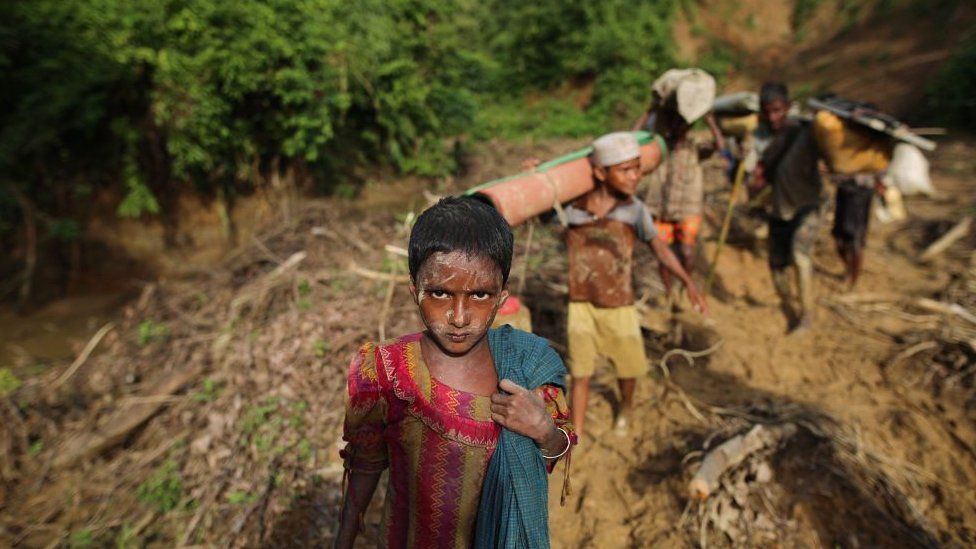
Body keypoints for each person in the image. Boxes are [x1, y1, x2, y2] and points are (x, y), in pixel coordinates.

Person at [334, 196, 576, 548]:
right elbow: (366, 463)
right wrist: (342, 539)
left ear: (501, 296)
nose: (459, 317)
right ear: (414, 291)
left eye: (479, 295)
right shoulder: (386, 370)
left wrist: (544, 432)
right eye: (440, 294)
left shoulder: (528, 368)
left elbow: (560, 446)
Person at [562, 132, 707, 439]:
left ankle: (625, 408)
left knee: (628, 369)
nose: (635, 177)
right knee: (581, 373)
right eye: (626, 170)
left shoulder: (634, 210)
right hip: (581, 303)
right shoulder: (572, 208)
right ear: (601, 173)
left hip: (619, 304)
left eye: (638, 168)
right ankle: (576, 432)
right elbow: (538, 203)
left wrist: (688, 282)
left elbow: (661, 249)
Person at [632, 68, 726, 304]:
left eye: (683, 123)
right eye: (674, 122)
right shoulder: (658, 146)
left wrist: (709, 119)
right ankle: (669, 293)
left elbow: (719, 145)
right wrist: (651, 110)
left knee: (686, 251)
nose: (678, 126)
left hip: (688, 208)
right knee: (663, 254)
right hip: (659, 206)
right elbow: (631, 138)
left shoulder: (695, 147)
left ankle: (686, 287)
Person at [748, 82, 824, 332]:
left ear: (788, 108)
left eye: (778, 111)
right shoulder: (759, 137)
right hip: (778, 210)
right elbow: (755, 174)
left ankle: (807, 316)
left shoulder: (803, 132)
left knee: (801, 257)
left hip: (807, 206)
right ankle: (789, 303)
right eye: (768, 111)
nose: (773, 117)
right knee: (777, 267)